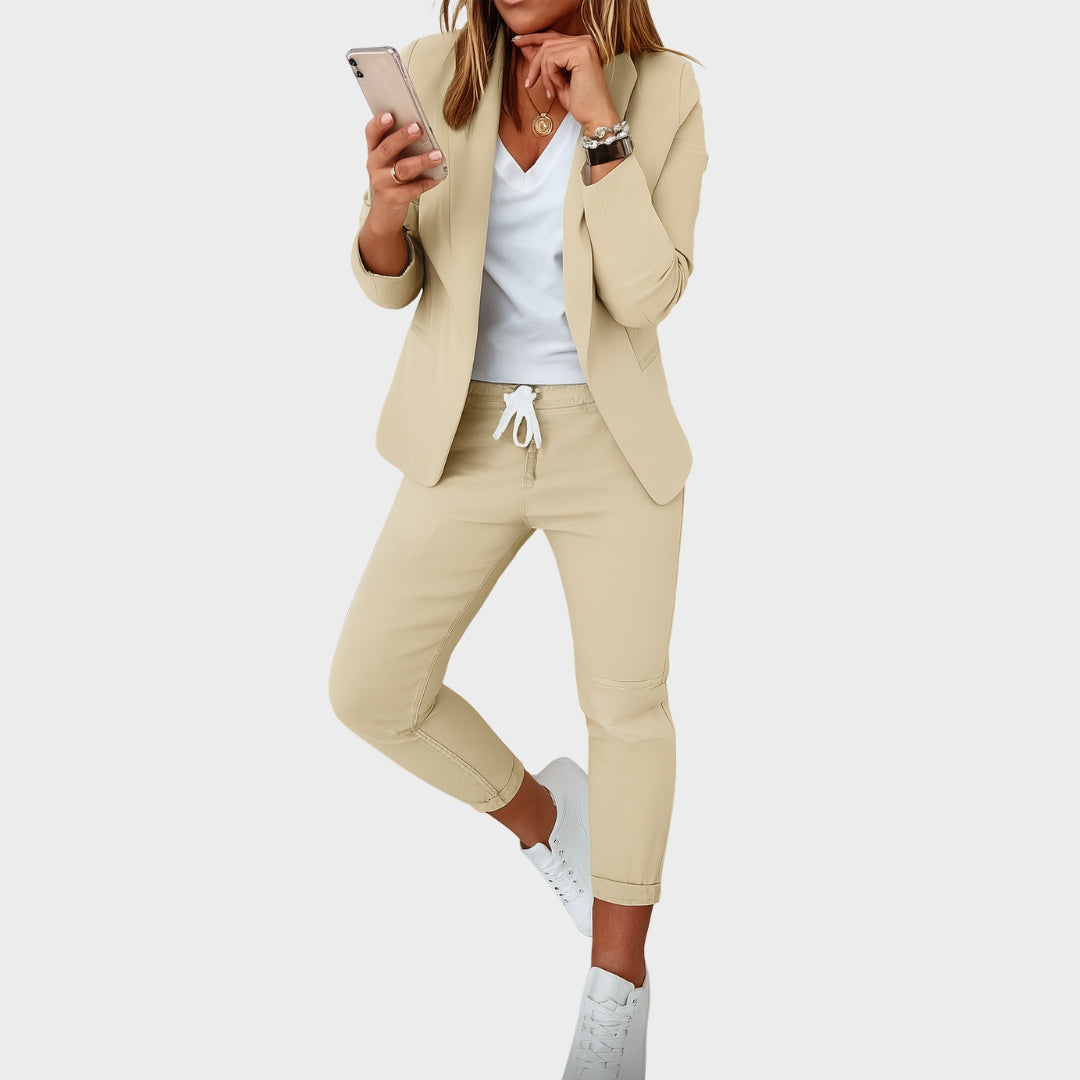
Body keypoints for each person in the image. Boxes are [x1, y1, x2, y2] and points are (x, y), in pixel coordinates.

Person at [329, 0, 707, 1074]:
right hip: (468, 433)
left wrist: (602, 128)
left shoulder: (665, 89)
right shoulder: (433, 67)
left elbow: (646, 294)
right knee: (370, 689)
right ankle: (551, 820)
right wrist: (385, 210)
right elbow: (391, 281)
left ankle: (616, 988)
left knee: (626, 707)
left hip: (609, 441)